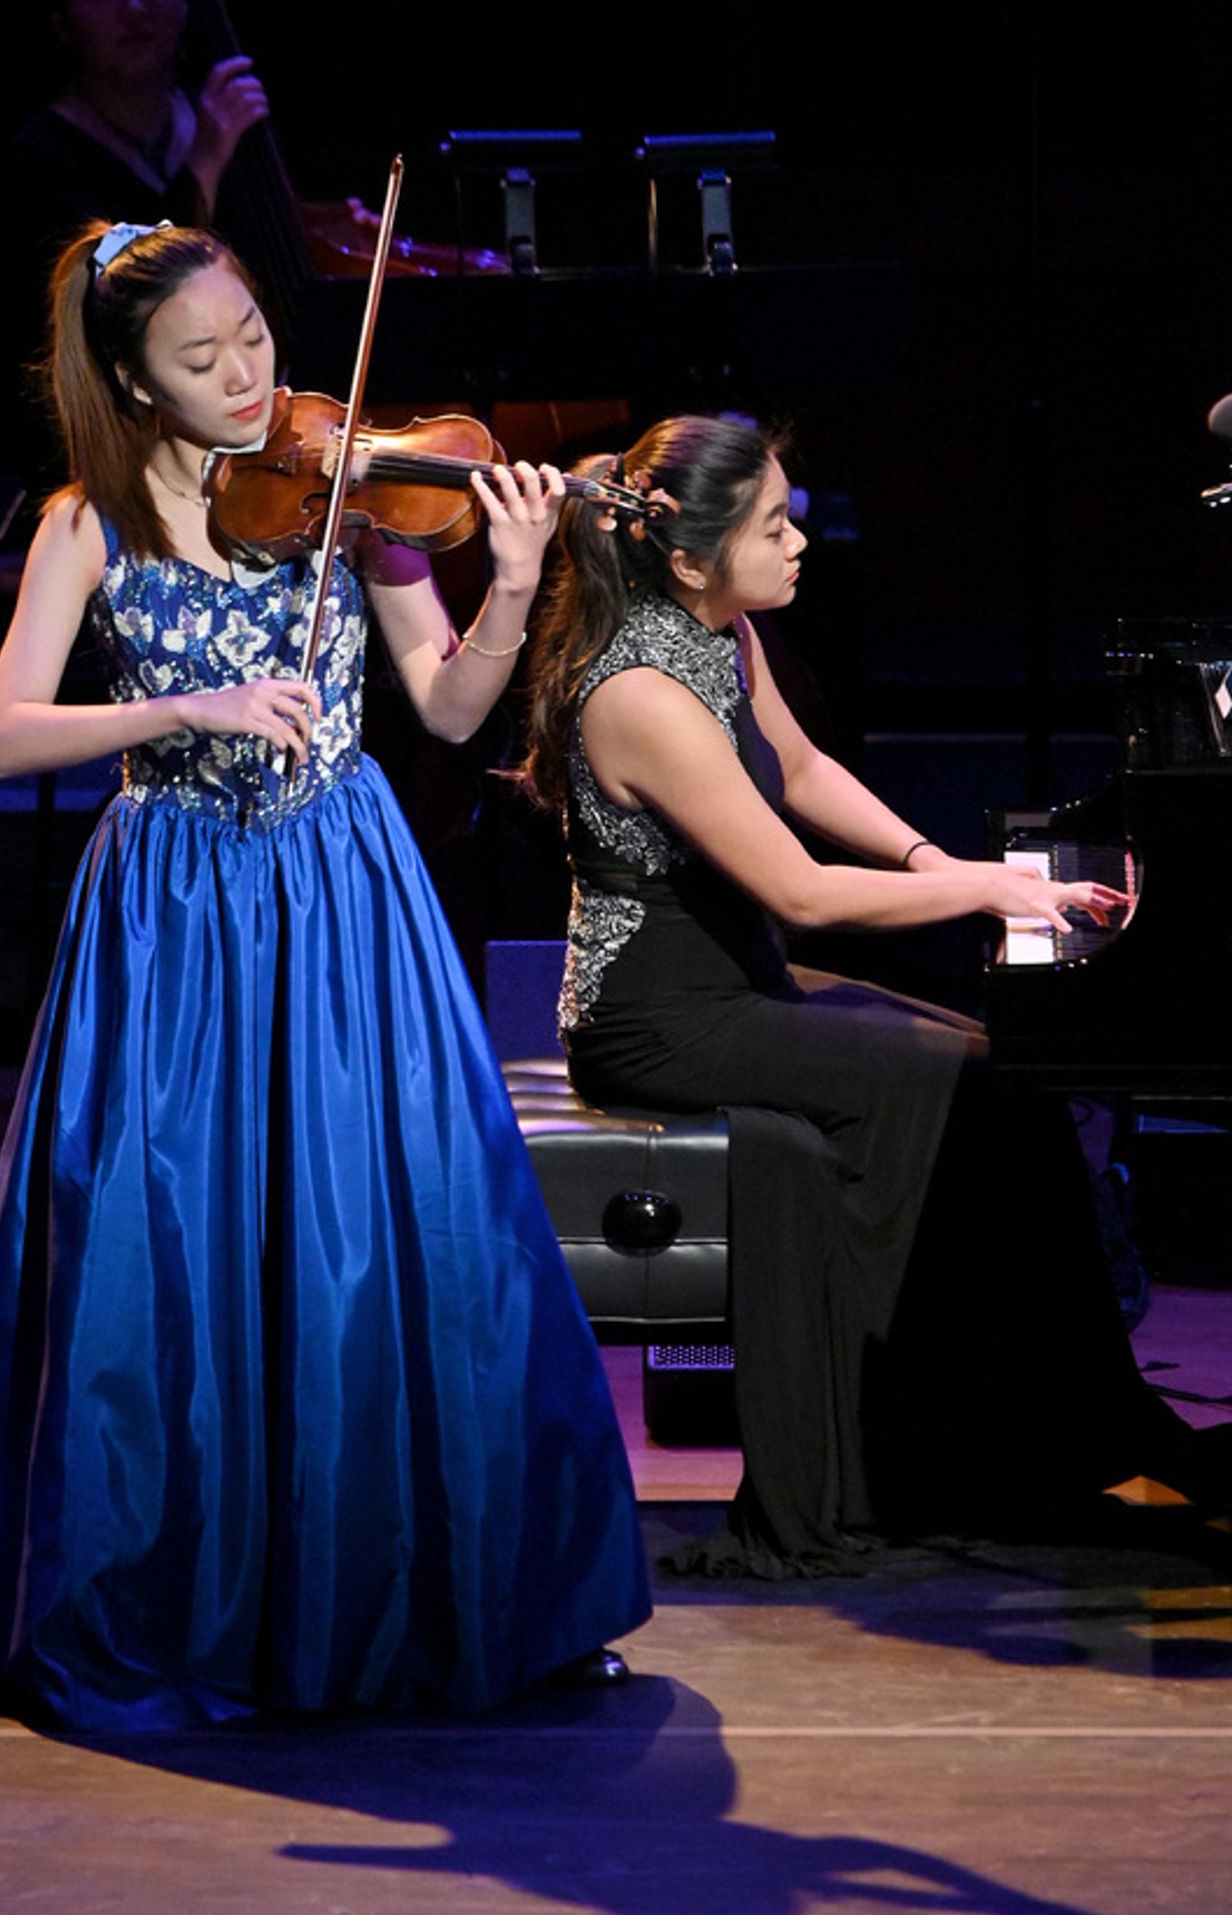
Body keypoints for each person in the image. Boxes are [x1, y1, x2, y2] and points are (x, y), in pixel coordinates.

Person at [0, 220, 649, 1730]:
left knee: (392, 1238)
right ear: (129, 379)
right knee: (168, 1248)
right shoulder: (83, 524)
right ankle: (177, 1602)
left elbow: (446, 710)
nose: (247, 380)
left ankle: (442, 1598)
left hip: (338, 891)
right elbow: (0, 734)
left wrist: (509, 583)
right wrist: (183, 706)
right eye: (201, 359)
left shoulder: (351, 500)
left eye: (253, 337)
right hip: (171, 904)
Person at [521, 413, 1227, 1578]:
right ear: (689, 556)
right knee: (965, 1086)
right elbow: (795, 889)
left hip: (730, 979)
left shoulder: (721, 630)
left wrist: (927, 863)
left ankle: (1047, 1426)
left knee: (1000, 1066)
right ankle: (950, 1451)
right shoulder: (638, 689)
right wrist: (981, 891)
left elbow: (801, 772)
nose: (798, 540)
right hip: (654, 1018)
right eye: (770, 525)